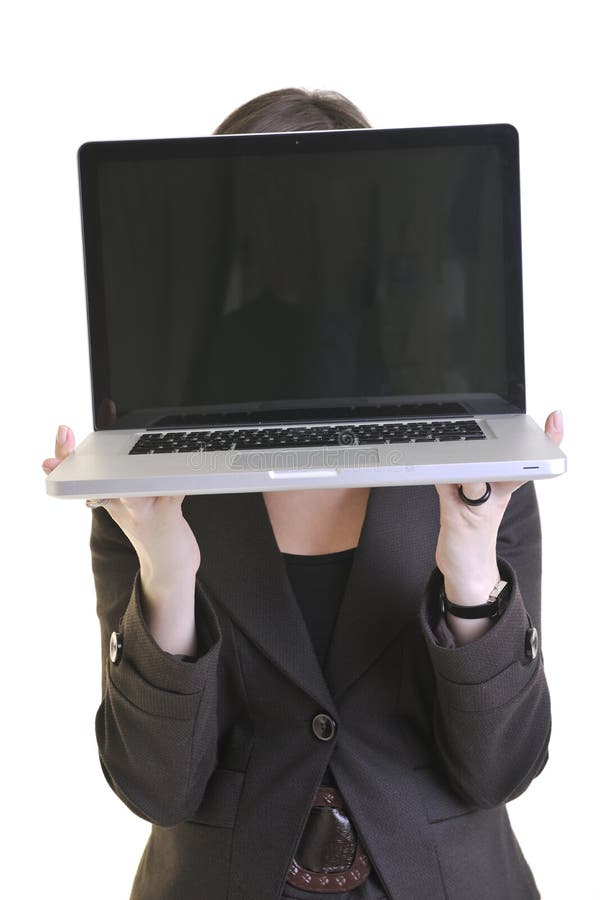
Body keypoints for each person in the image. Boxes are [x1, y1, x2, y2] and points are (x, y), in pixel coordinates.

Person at [42, 88, 564, 900]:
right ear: (243, 235)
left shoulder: (475, 470)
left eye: (335, 214)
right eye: (279, 214)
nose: (313, 245)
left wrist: (468, 571)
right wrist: (167, 574)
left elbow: (503, 767)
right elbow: (157, 789)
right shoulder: (146, 493)